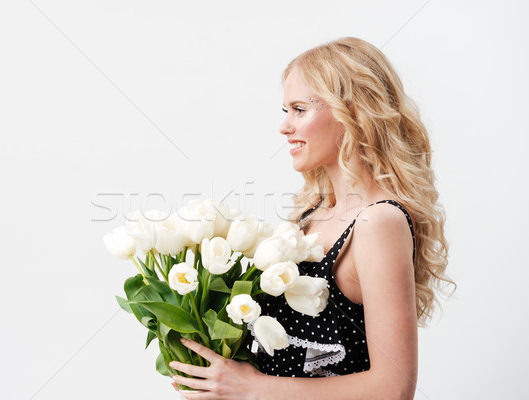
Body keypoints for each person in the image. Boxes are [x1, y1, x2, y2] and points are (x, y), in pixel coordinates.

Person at [169, 36, 455, 400]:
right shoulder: (311, 212)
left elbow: (392, 388)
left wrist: (251, 388)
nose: (284, 127)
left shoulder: (378, 222)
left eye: (299, 109)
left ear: (351, 112)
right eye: (285, 110)